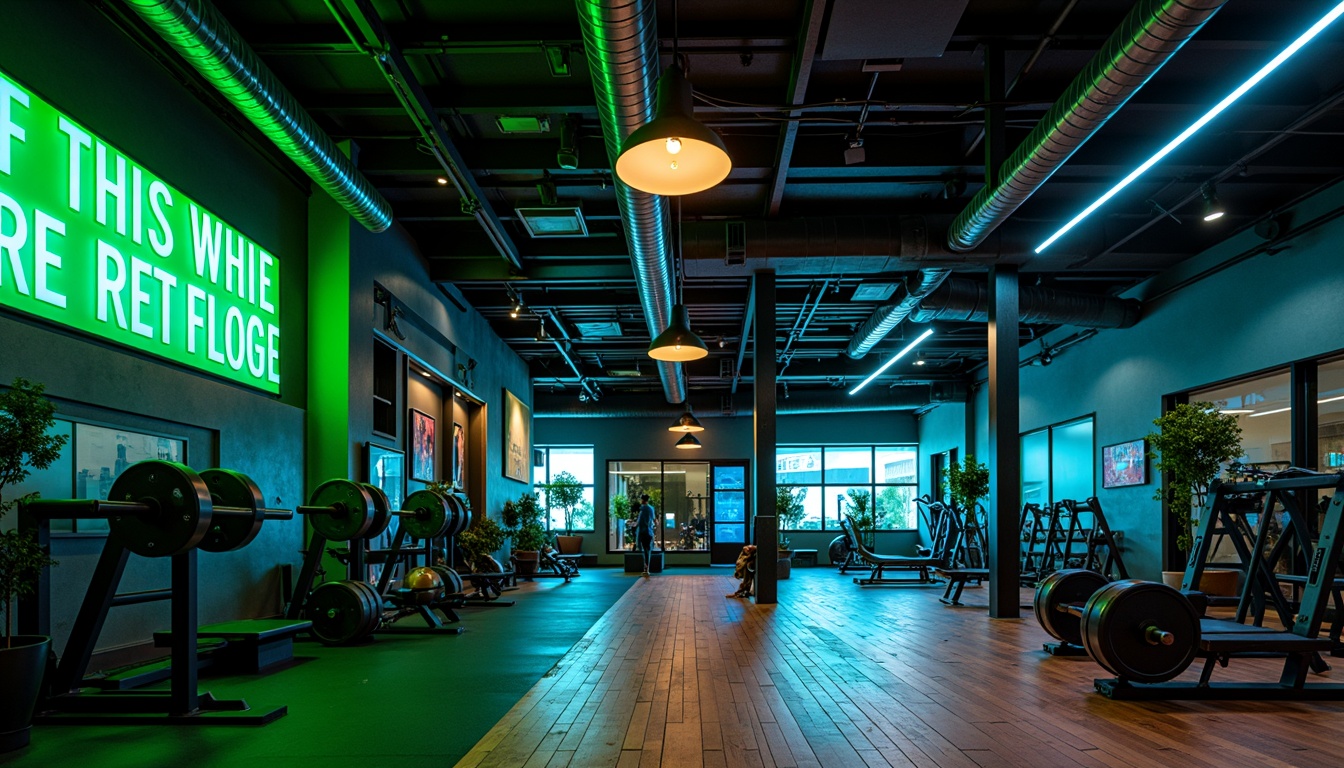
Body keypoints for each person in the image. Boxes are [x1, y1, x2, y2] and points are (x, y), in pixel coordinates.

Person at [634, 493, 656, 575]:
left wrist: (635, 524)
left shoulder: (643, 510)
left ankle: (646, 568)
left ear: (643, 500)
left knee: (645, 550)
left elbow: (640, 522)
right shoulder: (651, 509)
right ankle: (646, 567)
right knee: (647, 550)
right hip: (649, 532)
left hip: (644, 532)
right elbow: (653, 520)